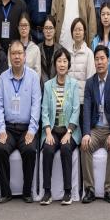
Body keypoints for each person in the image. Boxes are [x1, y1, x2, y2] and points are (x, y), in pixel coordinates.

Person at [0, 41, 41, 203]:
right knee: (0, 149)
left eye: (20, 53)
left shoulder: (33, 77)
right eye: (13, 53)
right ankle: (6, 192)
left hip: (26, 128)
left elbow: (36, 105)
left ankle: (27, 192)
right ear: (9, 56)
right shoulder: (3, 78)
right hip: (8, 127)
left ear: (25, 56)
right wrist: (1, 129)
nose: (17, 57)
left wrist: (32, 130)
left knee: (30, 150)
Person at [78, 47, 110, 204]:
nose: (99, 62)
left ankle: (109, 189)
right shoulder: (90, 83)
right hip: (96, 129)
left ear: (108, 61)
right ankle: (89, 189)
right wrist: (86, 133)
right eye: (97, 59)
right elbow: (86, 110)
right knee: (85, 146)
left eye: (102, 58)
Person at [38, 50, 81, 205]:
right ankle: (47, 192)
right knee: (48, 149)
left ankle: (68, 192)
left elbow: (76, 110)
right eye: (59, 61)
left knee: (66, 148)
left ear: (68, 64)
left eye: (64, 61)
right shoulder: (48, 85)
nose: (62, 64)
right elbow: (44, 111)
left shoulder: (74, 84)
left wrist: (69, 132)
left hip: (70, 131)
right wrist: (48, 132)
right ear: (55, 64)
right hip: (53, 130)